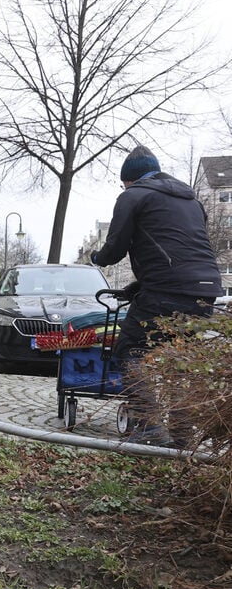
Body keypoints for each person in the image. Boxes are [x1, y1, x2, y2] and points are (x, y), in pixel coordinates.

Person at [91, 145, 223, 445]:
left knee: (130, 349)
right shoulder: (191, 200)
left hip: (168, 289)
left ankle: (148, 425)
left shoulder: (133, 196)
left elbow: (115, 248)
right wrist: (140, 286)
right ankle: (181, 434)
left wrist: (97, 258)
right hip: (206, 292)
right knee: (180, 358)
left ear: (129, 179)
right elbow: (181, 251)